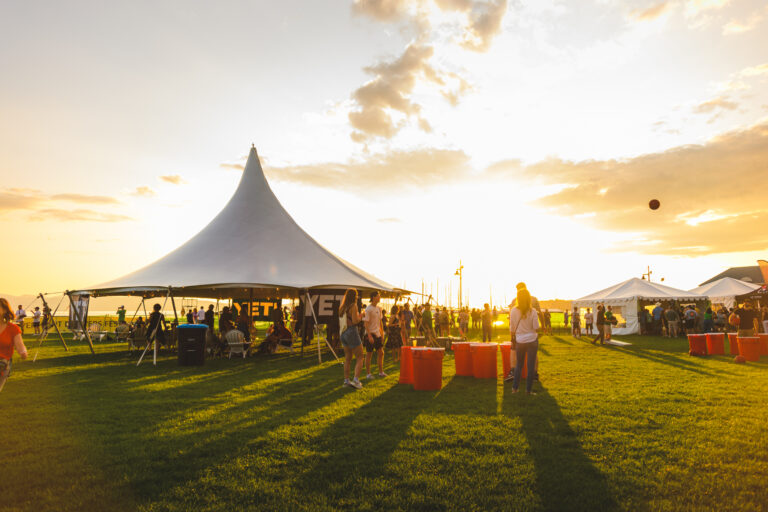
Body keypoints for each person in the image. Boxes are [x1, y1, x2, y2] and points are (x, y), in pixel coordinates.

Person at [507, 288, 539, 394]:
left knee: (519, 366)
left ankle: (515, 389)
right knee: (530, 367)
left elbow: (512, 328)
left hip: (520, 340)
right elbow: (536, 327)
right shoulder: (533, 311)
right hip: (532, 340)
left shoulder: (513, 311)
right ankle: (528, 391)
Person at [1, 299, 28, 393]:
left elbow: (20, 345)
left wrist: (23, 352)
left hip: (2, 364)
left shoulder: (13, 329)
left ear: (4, 310)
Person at [338, 289, 364, 389]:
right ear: (354, 296)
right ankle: (356, 380)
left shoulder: (342, 307)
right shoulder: (353, 306)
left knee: (348, 358)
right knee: (360, 357)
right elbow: (355, 321)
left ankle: (346, 381)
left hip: (343, 333)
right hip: (351, 331)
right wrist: (361, 315)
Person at [363, 291, 386, 379]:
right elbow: (366, 324)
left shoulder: (379, 308)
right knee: (369, 354)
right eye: (378, 296)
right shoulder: (368, 309)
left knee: (381, 353)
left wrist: (382, 333)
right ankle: (368, 374)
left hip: (378, 334)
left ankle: (381, 372)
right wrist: (369, 336)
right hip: (370, 334)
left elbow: (380, 322)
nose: (379, 297)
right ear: (373, 297)